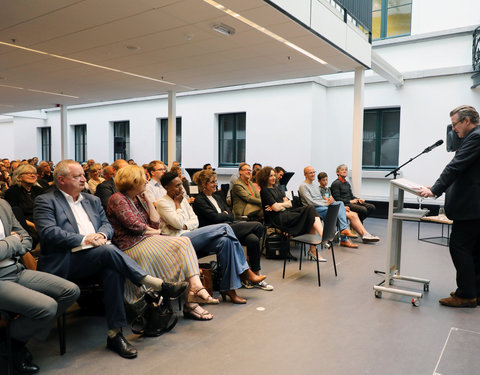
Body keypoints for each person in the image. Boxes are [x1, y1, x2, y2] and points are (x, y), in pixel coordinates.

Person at [33, 160, 187, 359]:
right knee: (108, 253)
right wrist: (85, 239)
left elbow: (107, 225)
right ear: (61, 180)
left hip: (96, 255)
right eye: (77, 176)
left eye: (83, 174)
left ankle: (115, 334)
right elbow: (49, 233)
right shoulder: (46, 201)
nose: (83, 178)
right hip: (64, 260)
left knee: (111, 269)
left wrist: (103, 236)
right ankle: (154, 283)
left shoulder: (92, 200)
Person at [107, 165, 216, 321]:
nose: (146, 180)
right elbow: (135, 226)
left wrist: (149, 201)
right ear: (133, 180)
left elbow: (155, 223)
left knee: (184, 243)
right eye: (143, 177)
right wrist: (154, 231)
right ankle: (193, 297)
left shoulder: (140, 197)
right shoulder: (117, 198)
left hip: (147, 240)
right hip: (129, 246)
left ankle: (195, 289)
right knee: (183, 244)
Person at [156, 171, 267, 304]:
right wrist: (178, 207)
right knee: (225, 228)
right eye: (176, 186)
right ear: (167, 187)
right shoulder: (164, 203)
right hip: (179, 241)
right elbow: (179, 223)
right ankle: (244, 271)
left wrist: (184, 225)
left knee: (225, 241)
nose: (181, 188)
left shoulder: (183, 200)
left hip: (190, 234)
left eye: (181, 184)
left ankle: (228, 289)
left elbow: (194, 221)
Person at [0, 198, 79, 374]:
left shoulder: (3, 204)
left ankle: (11, 341)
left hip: (16, 269)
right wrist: (13, 241)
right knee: (47, 307)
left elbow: (26, 238)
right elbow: (18, 240)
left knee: (70, 291)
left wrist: (15, 242)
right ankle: (15, 345)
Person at [418, 105, 480, 307]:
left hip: (471, 207)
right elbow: (465, 172)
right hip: (474, 207)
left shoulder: (476, 137)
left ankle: (466, 295)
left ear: (467, 121)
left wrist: (435, 190)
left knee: (459, 247)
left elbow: (455, 166)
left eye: (455, 124)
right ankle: (473, 291)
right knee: (474, 251)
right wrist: (436, 186)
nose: (453, 129)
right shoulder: (474, 137)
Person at [193, 169, 273, 291]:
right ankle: (245, 272)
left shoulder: (218, 196)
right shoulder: (200, 200)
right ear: (204, 185)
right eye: (212, 182)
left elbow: (230, 214)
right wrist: (224, 215)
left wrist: (224, 215)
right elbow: (215, 218)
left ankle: (254, 274)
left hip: (229, 226)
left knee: (253, 239)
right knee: (258, 226)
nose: (216, 184)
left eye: (216, 181)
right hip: (216, 233)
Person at [256, 166, 326, 261]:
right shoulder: (264, 191)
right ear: (265, 177)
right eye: (270, 176)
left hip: (284, 213)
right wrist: (279, 205)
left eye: (274, 175)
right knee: (309, 215)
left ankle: (321, 238)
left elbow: (289, 203)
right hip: (277, 218)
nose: (273, 178)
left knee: (310, 209)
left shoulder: (277, 189)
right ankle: (316, 246)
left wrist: (278, 205)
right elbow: (277, 208)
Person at [299, 166, 358, 248]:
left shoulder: (315, 186)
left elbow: (320, 199)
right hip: (313, 209)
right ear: (305, 175)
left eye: (313, 172)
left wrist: (328, 202)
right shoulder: (303, 186)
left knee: (340, 203)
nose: (313, 174)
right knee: (337, 213)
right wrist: (326, 204)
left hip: (322, 206)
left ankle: (344, 230)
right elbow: (310, 202)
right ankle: (343, 239)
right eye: (310, 173)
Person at [317, 172, 379, 243]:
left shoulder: (328, 189)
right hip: (328, 209)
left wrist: (342, 207)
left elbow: (332, 200)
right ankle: (347, 238)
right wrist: (338, 205)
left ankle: (365, 234)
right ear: (319, 181)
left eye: (326, 180)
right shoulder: (319, 190)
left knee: (355, 214)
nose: (325, 182)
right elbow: (327, 201)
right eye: (323, 180)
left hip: (334, 206)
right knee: (356, 212)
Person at [4, 164, 45, 248]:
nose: (33, 175)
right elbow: (14, 215)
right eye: (28, 173)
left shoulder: (39, 190)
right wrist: (34, 225)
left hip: (41, 220)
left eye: (34, 173)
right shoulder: (12, 192)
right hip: (24, 223)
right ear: (19, 177)